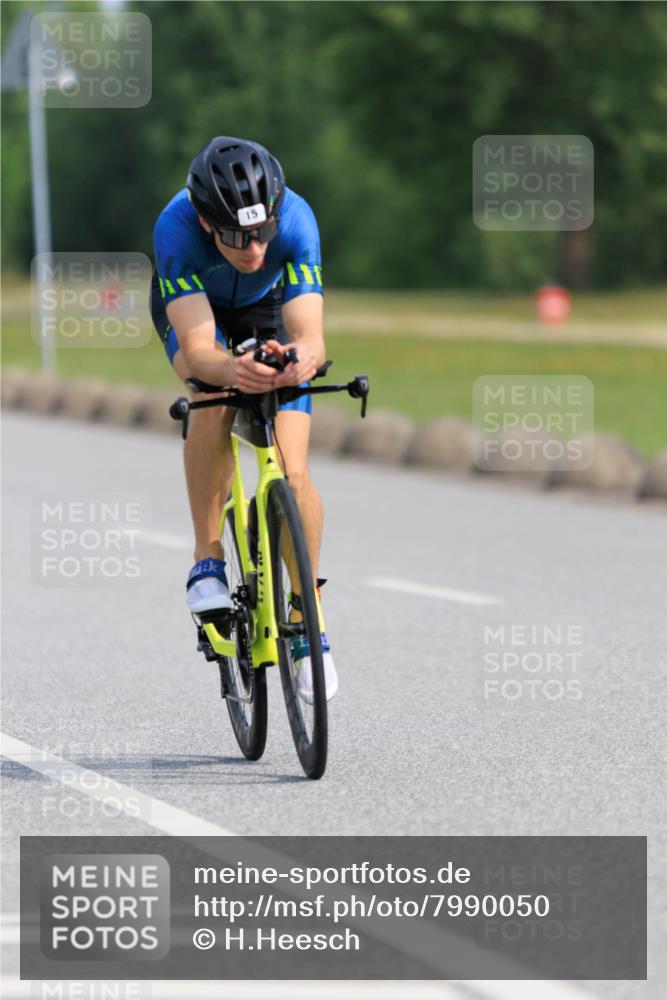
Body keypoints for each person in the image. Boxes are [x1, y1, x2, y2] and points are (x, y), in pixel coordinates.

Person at [150, 136, 337, 702]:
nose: (253, 247)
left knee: (294, 470)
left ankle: (309, 622)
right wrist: (235, 368)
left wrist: (297, 361)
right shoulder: (175, 229)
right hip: (198, 310)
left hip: (268, 307)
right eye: (235, 235)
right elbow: (201, 347)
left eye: (261, 232)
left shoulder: (298, 221)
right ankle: (207, 559)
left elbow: (311, 337)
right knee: (209, 388)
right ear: (208, 225)